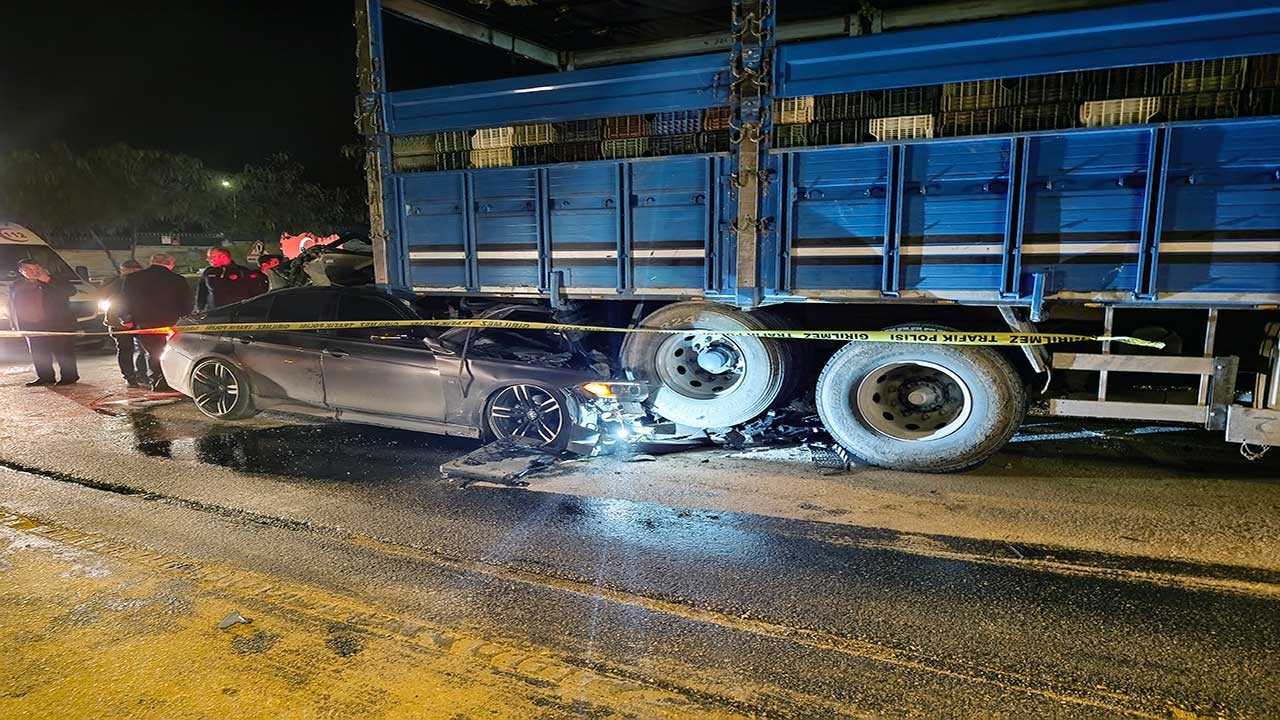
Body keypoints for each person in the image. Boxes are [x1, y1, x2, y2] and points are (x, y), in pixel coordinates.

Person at [119, 253, 193, 392]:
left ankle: (157, 381)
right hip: (172, 323)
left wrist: (126, 318)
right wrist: (186, 319)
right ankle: (172, 381)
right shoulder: (177, 279)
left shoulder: (133, 278)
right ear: (170, 264)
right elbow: (187, 303)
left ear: (151, 262)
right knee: (172, 351)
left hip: (144, 322)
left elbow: (124, 301)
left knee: (153, 352)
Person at [10, 259, 78, 386]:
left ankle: (69, 376)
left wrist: (49, 280)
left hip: (57, 323)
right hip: (30, 325)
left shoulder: (53, 280)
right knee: (38, 352)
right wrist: (15, 324)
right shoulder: (16, 285)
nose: (34, 272)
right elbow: (13, 305)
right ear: (21, 271)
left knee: (63, 351)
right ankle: (45, 377)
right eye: (29, 269)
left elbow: (71, 291)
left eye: (36, 269)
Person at [101, 259, 148, 388]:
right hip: (119, 322)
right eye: (131, 271)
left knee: (144, 349)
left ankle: (141, 374)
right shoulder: (115, 284)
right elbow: (113, 300)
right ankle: (130, 377)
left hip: (139, 320)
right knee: (126, 350)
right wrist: (125, 319)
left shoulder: (142, 283)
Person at [196, 247, 258, 311]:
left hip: (238, 313)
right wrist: (199, 310)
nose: (208, 259)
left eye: (212, 257)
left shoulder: (242, 271)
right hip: (213, 313)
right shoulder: (208, 271)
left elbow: (253, 293)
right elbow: (201, 293)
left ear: (223, 257)